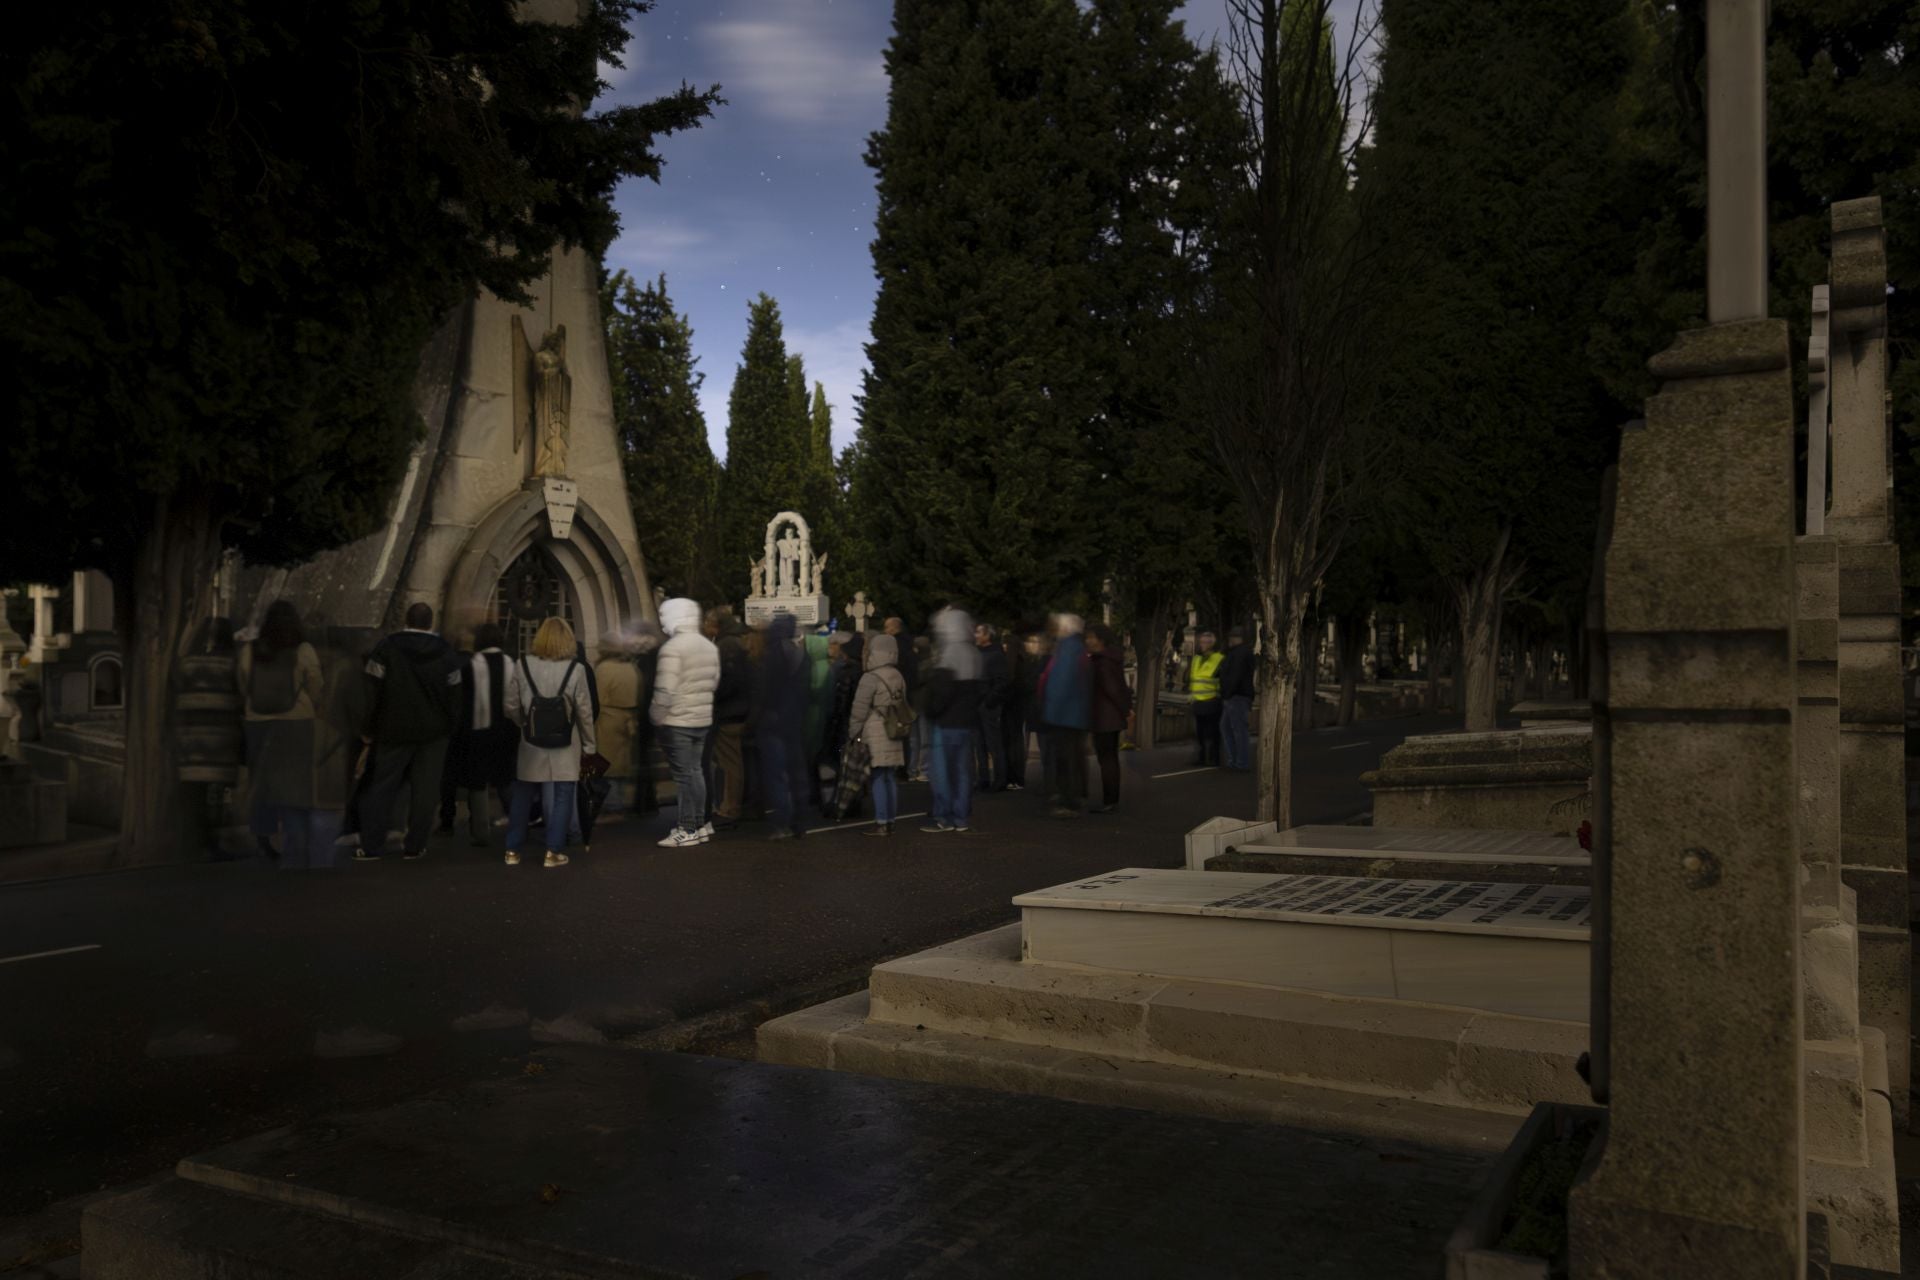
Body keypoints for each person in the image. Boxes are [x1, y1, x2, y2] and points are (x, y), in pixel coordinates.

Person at [354, 602, 462, 861]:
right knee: (425, 791)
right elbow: (456, 695)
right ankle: (414, 845)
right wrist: (451, 726)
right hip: (434, 733)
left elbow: (371, 691)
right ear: (430, 622)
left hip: (393, 729)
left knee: (382, 788)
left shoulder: (386, 648)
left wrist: (368, 726)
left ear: (407, 619)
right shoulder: (447, 653)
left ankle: (371, 845)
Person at [502, 617, 596, 868]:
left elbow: (510, 705)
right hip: (566, 741)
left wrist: (524, 723)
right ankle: (553, 852)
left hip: (531, 741)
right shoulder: (576, 669)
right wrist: (589, 746)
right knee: (564, 795)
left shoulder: (522, 665)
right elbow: (584, 712)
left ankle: (512, 850)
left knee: (523, 793)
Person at [237, 600, 324, 867]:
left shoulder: (249, 650)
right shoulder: (304, 649)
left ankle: (263, 838)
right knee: (296, 781)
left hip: (258, 722)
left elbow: (243, 683)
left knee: (262, 782)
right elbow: (316, 685)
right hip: (296, 723)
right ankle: (295, 838)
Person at [651, 597, 718, 848]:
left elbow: (665, 690)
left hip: (678, 718)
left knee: (684, 776)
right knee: (696, 771)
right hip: (702, 717)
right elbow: (714, 680)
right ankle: (700, 824)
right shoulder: (708, 647)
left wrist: (656, 716)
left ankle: (687, 828)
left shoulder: (673, 648)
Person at [448, 622, 517, 846]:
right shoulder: (511, 664)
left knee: (478, 784)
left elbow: (463, 702)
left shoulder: (471, 665)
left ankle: (480, 832)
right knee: (505, 779)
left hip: (478, 732)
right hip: (506, 731)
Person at [920, 607, 983, 833]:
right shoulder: (973, 653)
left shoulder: (950, 653)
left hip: (946, 722)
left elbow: (941, 692)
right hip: (966, 722)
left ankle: (943, 817)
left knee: (942, 772)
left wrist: (931, 710)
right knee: (962, 771)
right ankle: (961, 817)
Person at [755, 614, 811, 840]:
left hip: (773, 720)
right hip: (795, 719)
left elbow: (766, 690)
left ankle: (782, 823)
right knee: (797, 773)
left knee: (776, 775)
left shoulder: (772, 654)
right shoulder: (801, 655)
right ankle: (800, 821)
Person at [850, 632, 908, 836]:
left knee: (877, 777)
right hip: (894, 728)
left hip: (875, 729)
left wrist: (853, 733)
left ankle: (882, 821)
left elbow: (859, 709)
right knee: (890, 776)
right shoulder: (897, 675)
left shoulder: (870, 677)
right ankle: (891, 820)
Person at [1038, 613, 1091, 817]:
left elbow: (1060, 685)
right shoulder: (1075, 648)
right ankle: (1073, 797)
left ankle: (1069, 801)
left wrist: (1051, 711)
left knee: (1065, 760)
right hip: (1073, 715)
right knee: (1073, 758)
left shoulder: (1067, 649)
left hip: (1064, 716)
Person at [706, 608, 752, 830]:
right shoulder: (736, 643)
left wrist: (713, 696)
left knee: (730, 763)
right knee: (731, 761)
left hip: (729, 713)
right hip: (738, 710)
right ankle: (730, 804)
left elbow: (726, 681)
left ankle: (729, 807)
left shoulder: (726, 646)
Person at [1085, 624, 1133, 812]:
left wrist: (1124, 710)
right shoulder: (1110, 659)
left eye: (1091, 637)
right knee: (1110, 759)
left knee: (1106, 760)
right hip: (1111, 717)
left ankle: (1109, 801)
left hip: (1104, 717)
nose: (1088, 641)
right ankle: (1111, 799)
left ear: (1101, 640)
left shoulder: (1102, 663)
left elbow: (1112, 689)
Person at [594, 631, 643, 812]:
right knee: (621, 764)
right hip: (628, 719)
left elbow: (596, 697)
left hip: (607, 720)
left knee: (606, 765)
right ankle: (618, 800)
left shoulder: (604, 669)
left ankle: (611, 803)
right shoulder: (631, 668)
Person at [823, 632, 865, 819]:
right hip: (858, 726)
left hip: (844, 725)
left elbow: (840, 702)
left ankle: (840, 804)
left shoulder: (845, 672)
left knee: (840, 765)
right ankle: (855, 803)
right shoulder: (864, 671)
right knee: (856, 768)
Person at [973, 622, 1010, 791]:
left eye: (979, 633)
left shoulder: (995, 655)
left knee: (993, 743)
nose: (976, 635)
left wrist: (989, 701)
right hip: (979, 703)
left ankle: (1000, 779)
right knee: (980, 743)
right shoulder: (980, 654)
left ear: (987, 636)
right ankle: (983, 778)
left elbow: (1002, 681)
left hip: (988, 705)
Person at [1218, 625, 1256, 772]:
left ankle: (1241, 762)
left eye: (1232, 637)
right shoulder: (1237, 652)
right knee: (1227, 727)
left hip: (1237, 696)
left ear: (1238, 639)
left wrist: (1227, 693)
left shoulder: (1240, 653)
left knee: (1238, 730)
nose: (1230, 639)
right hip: (1235, 696)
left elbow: (1235, 676)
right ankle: (1235, 760)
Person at [1187, 629, 1225, 767]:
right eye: (1201, 642)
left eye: (1205, 642)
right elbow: (1193, 679)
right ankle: (1202, 758)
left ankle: (1215, 758)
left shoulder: (1218, 659)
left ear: (1211, 644)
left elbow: (1223, 679)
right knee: (1200, 733)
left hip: (1212, 700)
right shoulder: (1196, 659)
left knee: (1214, 732)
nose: (1202, 644)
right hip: (1198, 701)